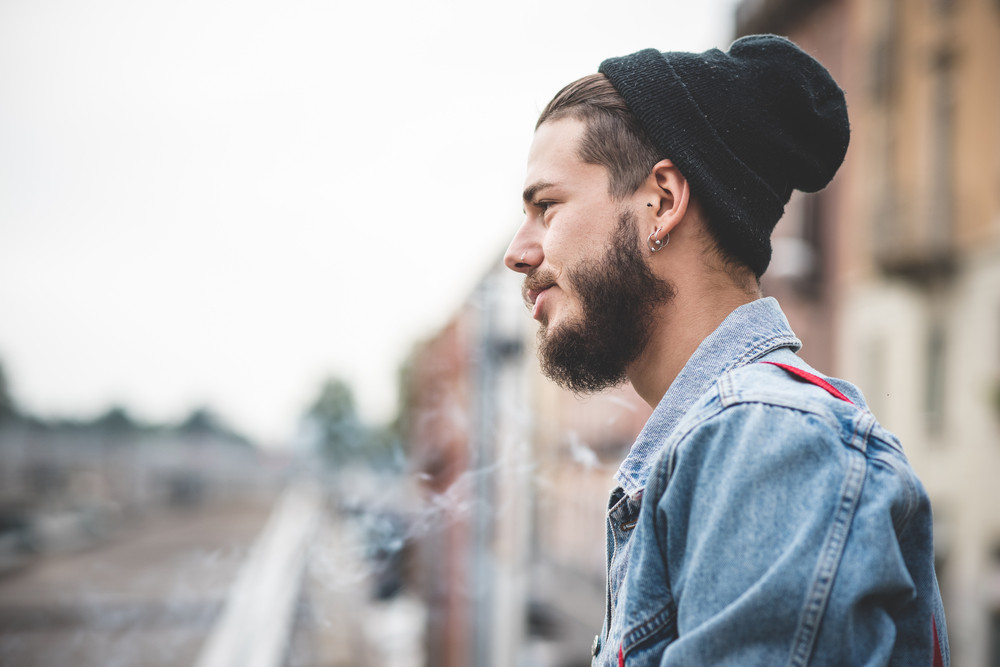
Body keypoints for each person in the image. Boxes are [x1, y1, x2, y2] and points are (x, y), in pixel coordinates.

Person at [503, 35, 949, 666]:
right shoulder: (726, 442)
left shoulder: (763, 440)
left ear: (660, 201)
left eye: (546, 207)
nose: (517, 252)